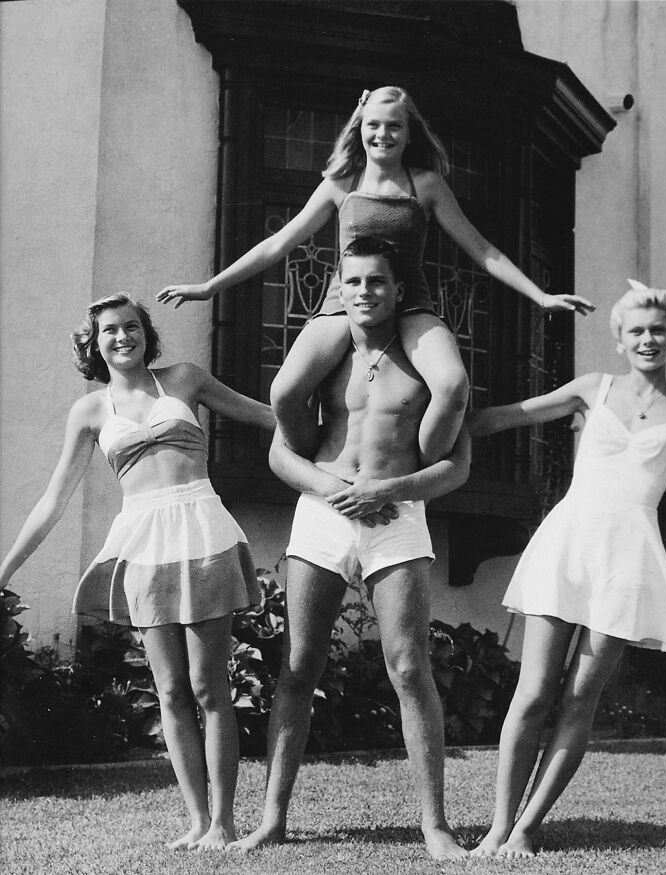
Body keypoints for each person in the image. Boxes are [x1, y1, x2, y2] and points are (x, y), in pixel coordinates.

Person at [156, 85, 593, 466]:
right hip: (344, 302)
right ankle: (320, 459)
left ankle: (419, 464)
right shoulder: (340, 184)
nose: (382, 134)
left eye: (393, 127)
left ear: (408, 134)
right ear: (359, 128)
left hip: (411, 304)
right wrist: (209, 287)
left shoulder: (427, 185)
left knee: (452, 385)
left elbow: (483, 250)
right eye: (373, 125)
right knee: (285, 392)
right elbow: (278, 244)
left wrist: (540, 297)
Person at [0, 294, 276, 851]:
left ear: (147, 335)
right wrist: (4, 569)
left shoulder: (185, 380)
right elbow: (53, 500)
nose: (122, 337)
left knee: (209, 686)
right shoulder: (91, 411)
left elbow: (268, 416)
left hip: (202, 530)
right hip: (143, 544)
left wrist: (351, 433)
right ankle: (198, 821)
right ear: (93, 344)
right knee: (171, 690)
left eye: (131, 327)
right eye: (109, 331)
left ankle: (224, 822)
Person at [228, 237, 472, 860]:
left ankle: (435, 825)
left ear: (397, 291)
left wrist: (390, 488)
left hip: (396, 514)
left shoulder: (421, 356)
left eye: (378, 283)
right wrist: (331, 486)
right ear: (340, 289)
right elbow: (283, 452)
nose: (365, 292)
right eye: (355, 282)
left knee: (409, 666)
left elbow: (456, 466)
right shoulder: (325, 359)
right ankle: (272, 819)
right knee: (299, 665)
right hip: (325, 515)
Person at [467, 279, 666, 858]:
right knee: (533, 692)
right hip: (569, 544)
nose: (648, 339)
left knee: (579, 700)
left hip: (631, 561)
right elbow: (500, 419)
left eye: (659, 331)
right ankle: (498, 826)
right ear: (619, 340)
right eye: (637, 331)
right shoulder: (593, 388)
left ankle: (527, 829)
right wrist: (430, 416)